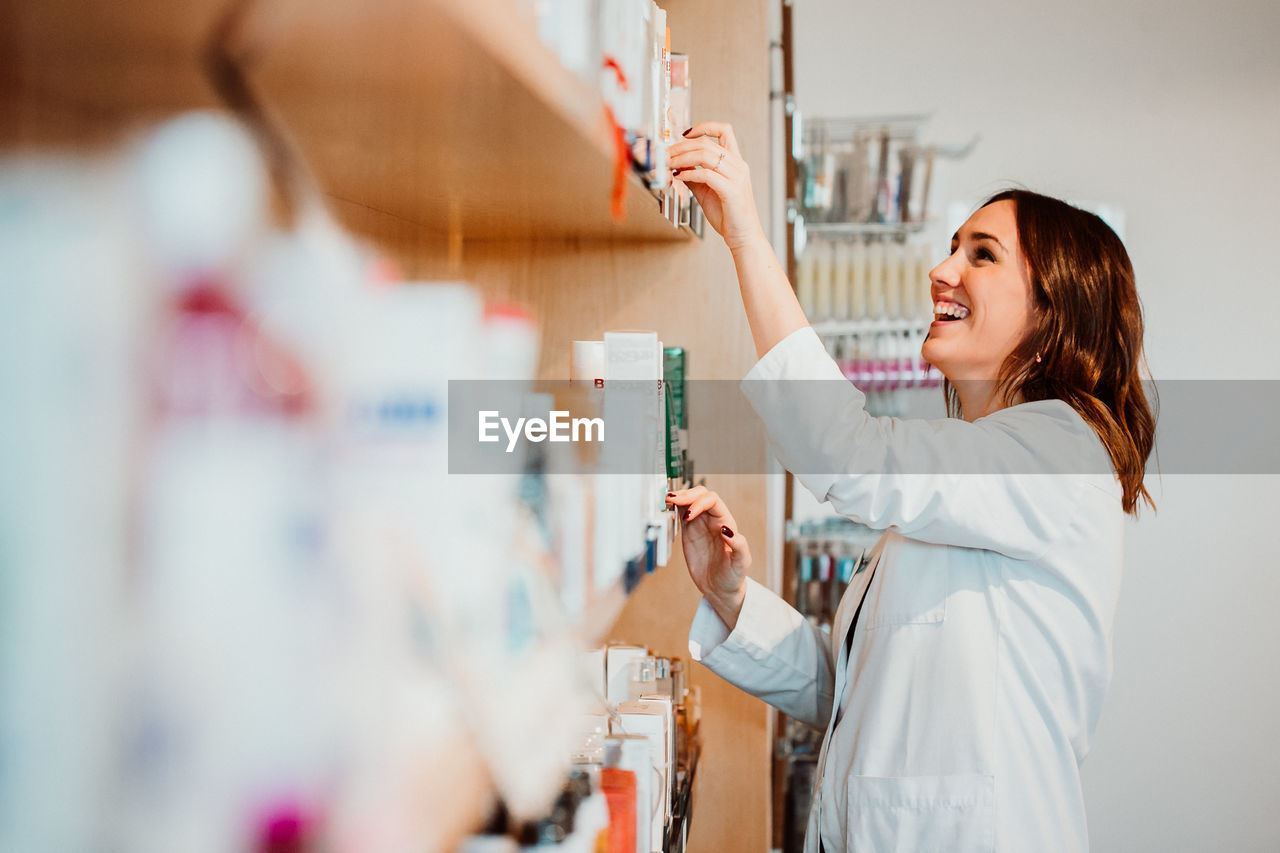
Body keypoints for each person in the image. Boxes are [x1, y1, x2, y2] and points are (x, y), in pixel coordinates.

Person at [664, 122, 1155, 852]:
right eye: (953, 246)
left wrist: (746, 237)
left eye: (981, 255)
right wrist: (735, 600)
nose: (942, 269)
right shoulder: (975, 478)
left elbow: (843, 447)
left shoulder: (1059, 453)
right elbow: (856, 695)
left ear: (1052, 317)